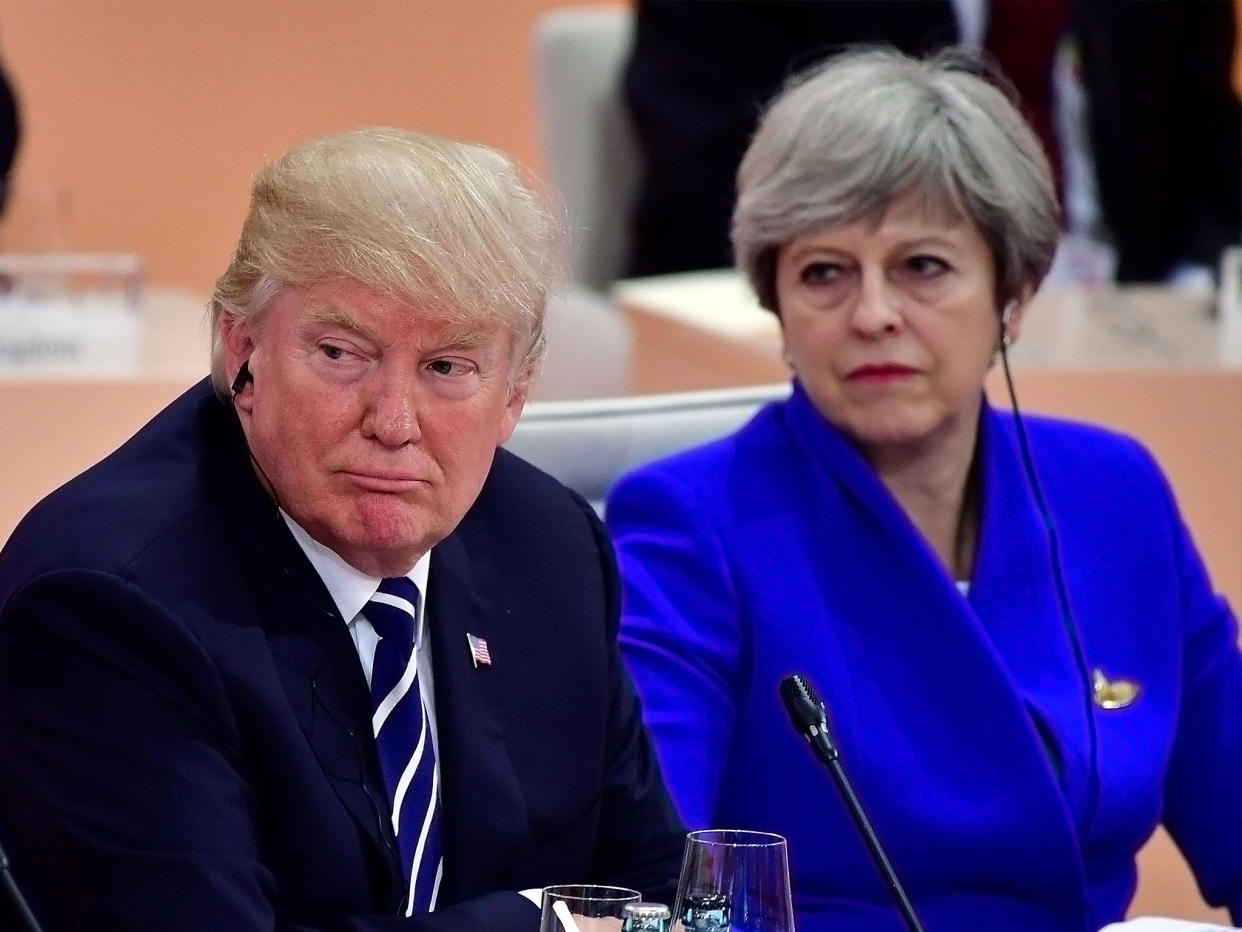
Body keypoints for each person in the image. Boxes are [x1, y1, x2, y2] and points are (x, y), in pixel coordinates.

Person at [607, 48, 1242, 932]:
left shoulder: (1113, 493)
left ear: (1013, 297)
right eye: (824, 272)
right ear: (778, 311)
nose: (873, 314)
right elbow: (658, 886)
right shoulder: (692, 525)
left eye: (923, 267)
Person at [0, 128, 685, 931]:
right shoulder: (107, 608)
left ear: (516, 393)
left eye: (447, 368)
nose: (394, 423)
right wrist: (547, 923)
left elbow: (653, 890)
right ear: (242, 351)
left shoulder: (552, 547)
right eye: (341, 353)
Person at [623, 0, 1241, 285]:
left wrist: (1197, 279)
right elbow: (707, 182)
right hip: (867, 298)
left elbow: (1207, 145)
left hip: (1132, 316)